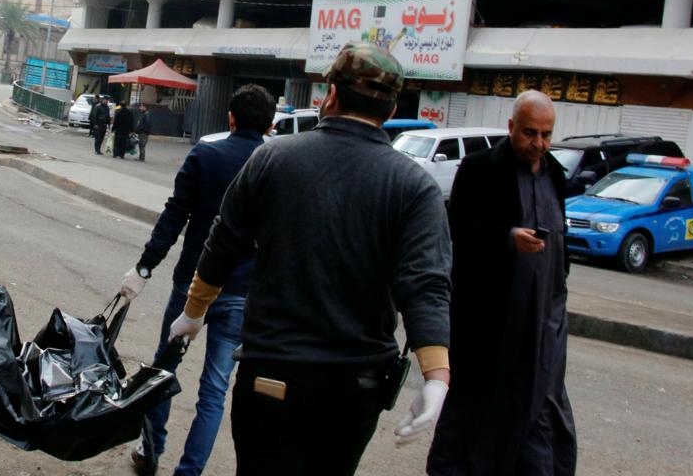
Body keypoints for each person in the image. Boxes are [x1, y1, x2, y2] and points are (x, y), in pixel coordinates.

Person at [170, 42, 452, 475]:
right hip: (355, 390)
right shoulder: (415, 185)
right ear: (391, 109)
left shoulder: (273, 157)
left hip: (271, 376)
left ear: (330, 96)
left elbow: (222, 243)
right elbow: (425, 284)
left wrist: (193, 312)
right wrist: (436, 376)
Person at [121, 84, 275, 476]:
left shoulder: (206, 154)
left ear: (231, 118)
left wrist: (144, 267)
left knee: (164, 371)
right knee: (215, 390)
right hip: (242, 294)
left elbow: (174, 216)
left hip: (191, 284)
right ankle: (189, 471)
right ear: (271, 124)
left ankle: (151, 453)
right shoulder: (275, 166)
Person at [427, 90, 576, 476]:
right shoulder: (480, 168)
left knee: (539, 402)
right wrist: (508, 237)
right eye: (530, 133)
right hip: (491, 319)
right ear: (511, 127)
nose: (538, 144)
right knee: (477, 407)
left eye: (546, 134)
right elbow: (458, 229)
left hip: (545, 317)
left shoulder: (555, 171)